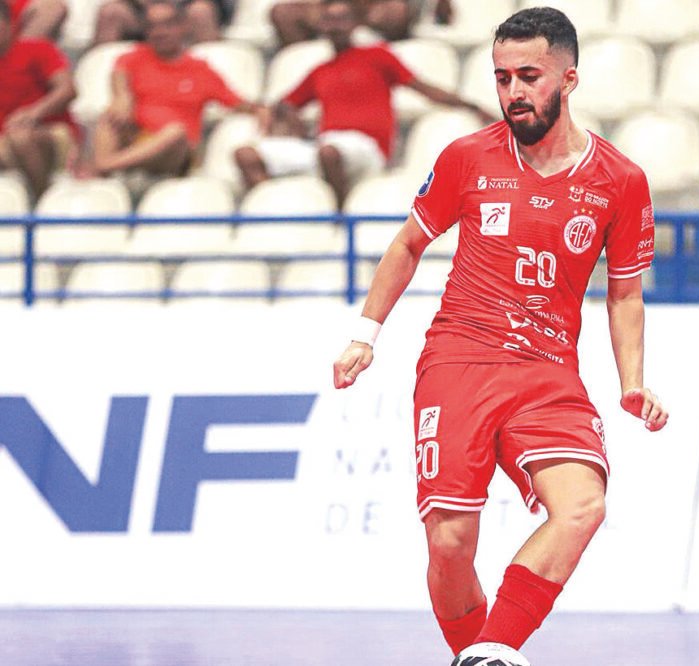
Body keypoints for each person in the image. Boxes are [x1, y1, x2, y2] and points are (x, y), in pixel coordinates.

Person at [332, 6, 668, 661]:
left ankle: (491, 651)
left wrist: (633, 382)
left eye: (529, 76)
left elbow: (625, 293)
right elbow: (407, 244)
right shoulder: (467, 157)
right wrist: (365, 334)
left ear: (568, 78)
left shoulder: (620, 181)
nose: (513, 91)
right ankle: (479, 655)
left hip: (548, 374)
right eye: (502, 77)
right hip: (459, 361)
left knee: (583, 507)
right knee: (451, 544)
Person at [235, 0, 487, 209]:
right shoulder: (321, 70)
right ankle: (270, 207)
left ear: (355, 23)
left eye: (341, 19)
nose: (335, 26)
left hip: (367, 149)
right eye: (329, 20)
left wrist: (470, 106)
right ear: (321, 25)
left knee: (329, 152)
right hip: (327, 147)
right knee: (246, 154)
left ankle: (339, 214)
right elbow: (285, 104)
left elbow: (424, 88)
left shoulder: (377, 56)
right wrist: (292, 124)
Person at [90, 0, 264, 177]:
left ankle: (104, 166)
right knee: (110, 117)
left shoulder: (200, 70)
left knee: (175, 132)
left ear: (183, 27)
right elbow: (119, 74)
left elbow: (237, 103)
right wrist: (121, 97)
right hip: (137, 138)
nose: (159, 32)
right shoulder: (136, 57)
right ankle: (106, 167)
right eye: (152, 26)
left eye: (167, 25)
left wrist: (261, 109)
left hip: (176, 152)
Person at [0, 0, 77, 198]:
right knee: (12, 140)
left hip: (51, 132)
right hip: (6, 139)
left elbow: (67, 90)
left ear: (8, 23)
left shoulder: (37, 49)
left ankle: (43, 200)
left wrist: (32, 113)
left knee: (20, 137)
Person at [270, 0, 452, 46]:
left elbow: (445, 14)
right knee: (283, 13)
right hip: (328, 8)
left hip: (374, 10)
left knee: (396, 11)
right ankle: (302, 65)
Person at [94, 0, 227, 45]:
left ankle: (214, 76)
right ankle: (99, 80)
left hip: (184, 11)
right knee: (110, 12)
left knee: (201, 12)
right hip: (140, 13)